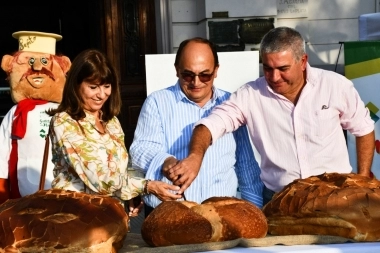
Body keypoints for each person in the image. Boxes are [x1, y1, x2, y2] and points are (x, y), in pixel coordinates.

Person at [166, 27, 375, 206]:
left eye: (283, 69)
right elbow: (210, 125)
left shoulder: (335, 85)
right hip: (279, 199)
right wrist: (195, 157)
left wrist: (363, 177)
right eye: (267, 68)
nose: (274, 77)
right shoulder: (250, 95)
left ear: (302, 61)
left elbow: (363, 128)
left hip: (335, 196)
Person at [129, 37, 263, 217]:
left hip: (221, 212)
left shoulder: (230, 104)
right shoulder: (157, 102)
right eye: (188, 75)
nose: (196, 82)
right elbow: (140, 148)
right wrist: (165, 161)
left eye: (204, 75)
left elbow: (245, 165)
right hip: (170, 212)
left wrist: (255, 212)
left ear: (216, 71)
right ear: (176, 70)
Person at [46, 49, 182, 216]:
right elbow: (100, 179)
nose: (102, 95)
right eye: (93, 87)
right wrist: (146, 186)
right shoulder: (64, 121)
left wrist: (133, 195)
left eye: (107, 86)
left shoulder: (111, 121)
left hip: (112, 217)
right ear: (76, 85)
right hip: (75, 219)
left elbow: (123, 168)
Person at [0, 31, 71, 204]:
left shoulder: (66, 111)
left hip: (63, 190)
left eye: (45, 62)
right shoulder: (15, 113)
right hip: (23, 192)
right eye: (30, 62)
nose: (38, 68)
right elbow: (2, 152)